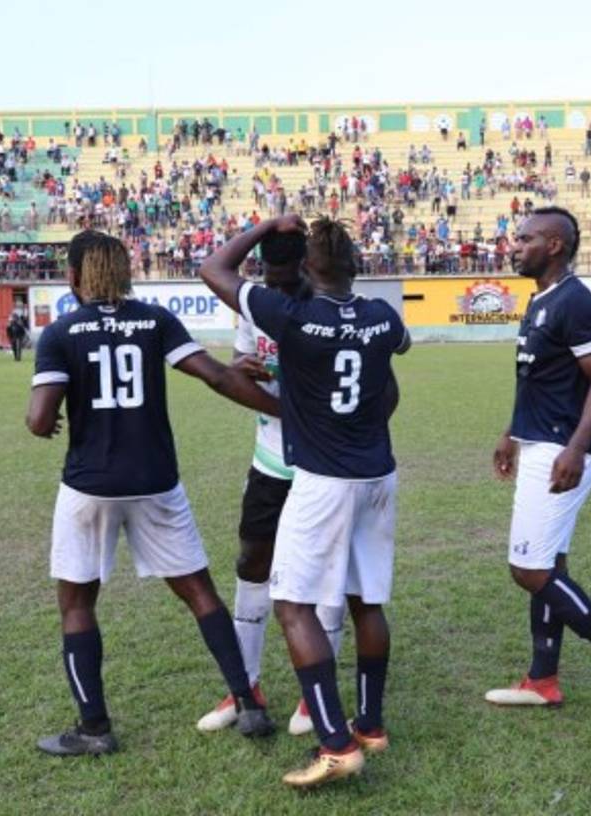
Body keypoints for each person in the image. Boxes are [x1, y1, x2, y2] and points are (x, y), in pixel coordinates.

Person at [26, 230, 278, 756]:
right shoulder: (155, 321)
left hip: (90, 485)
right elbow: (214, 376)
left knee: (76, 604)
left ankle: (94, 729)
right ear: (125, 273)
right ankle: (248, 704)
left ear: (73, 277)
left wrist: (49, 418)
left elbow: (39, 420)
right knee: (199, 592)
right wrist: (288, 410)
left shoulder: (61, 333)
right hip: (155, 482)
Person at [201, 215, 411, 789]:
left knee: (291, 603)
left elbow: (212, 269)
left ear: (305, 269)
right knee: (367, 599)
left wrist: (266, 223)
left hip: (324, 481)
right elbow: (397, 352)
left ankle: (335, 743)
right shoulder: (381, 316)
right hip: (378, 475)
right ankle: (369, 723)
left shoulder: (292, 317)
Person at [484, 207, 591, 725]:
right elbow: (535, 379)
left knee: (527, 569)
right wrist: (511, 433)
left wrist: (575, 448)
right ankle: (542, 680)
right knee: (549, 567)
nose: (514, 246)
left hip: (560, 452)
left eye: (526, 239)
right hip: (537, 444)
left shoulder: (575, 301)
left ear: (554, 245)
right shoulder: (539, 300)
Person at [195, 230, 347, 739]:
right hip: (269, 459)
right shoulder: (256, 306)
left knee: (325, 574)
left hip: (323, 465)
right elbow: (238, 370)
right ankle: (247, 687)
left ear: (307, 269)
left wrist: (302, 415)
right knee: (251, 563)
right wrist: (244, 369)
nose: (277, 292)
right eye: (269, 280)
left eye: (287, 281)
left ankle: (315, 695)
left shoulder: (329, 309)